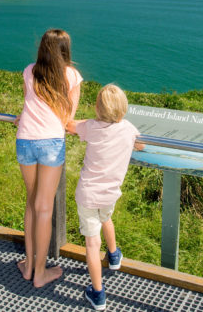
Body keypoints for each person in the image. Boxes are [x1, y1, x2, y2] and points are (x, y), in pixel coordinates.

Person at [66, 84, 145, 311]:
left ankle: (98, 294)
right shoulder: (128, 129)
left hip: (88, 194)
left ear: (97, 108)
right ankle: (113, 256)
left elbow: (69, 125)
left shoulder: (91, 127)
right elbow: (141, 144)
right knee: (106, 219)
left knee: (92, 243)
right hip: (110, 194)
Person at [14, 29, 83, 288]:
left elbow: (27, 102)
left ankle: (29, 266)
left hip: (25, 139)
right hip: (51, 142)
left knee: (31, 203)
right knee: (44, 207)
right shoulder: (72, 75)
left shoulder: (29, 70)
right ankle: (41, 273)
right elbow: (68, 117)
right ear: (66, 49)